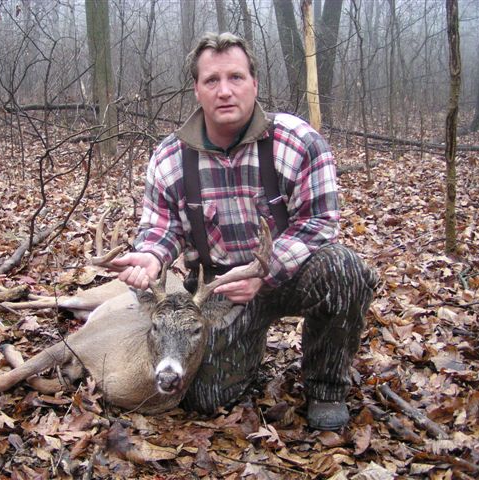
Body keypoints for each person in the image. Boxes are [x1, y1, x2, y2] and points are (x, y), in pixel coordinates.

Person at [111, 32, 378, 430]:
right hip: (217, 293)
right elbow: (160, 228)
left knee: (343, 269)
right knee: (204, 399)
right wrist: (150, 256)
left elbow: (320, 222)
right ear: (196, 90)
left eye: (235, 77)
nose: (225, 91)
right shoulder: (169, 158)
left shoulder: (298, 142)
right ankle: (246, 353)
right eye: (211, 80)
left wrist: (264, 272)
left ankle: (326, 387)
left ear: (254, 82)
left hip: (289, 275)